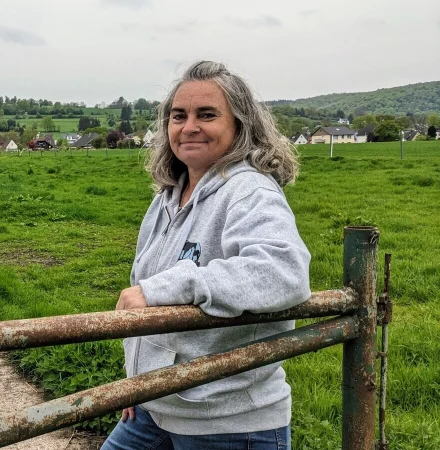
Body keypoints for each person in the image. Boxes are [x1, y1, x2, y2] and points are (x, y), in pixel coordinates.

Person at [101, 61, 311, 450]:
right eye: (179, 116)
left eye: (207, 115)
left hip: (227, 423)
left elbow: (283, 270)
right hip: (155, 405)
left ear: (240, 125)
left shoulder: (249, 191)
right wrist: (137, 381)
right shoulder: (167, 197)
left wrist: (167, 286)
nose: (189, 126)